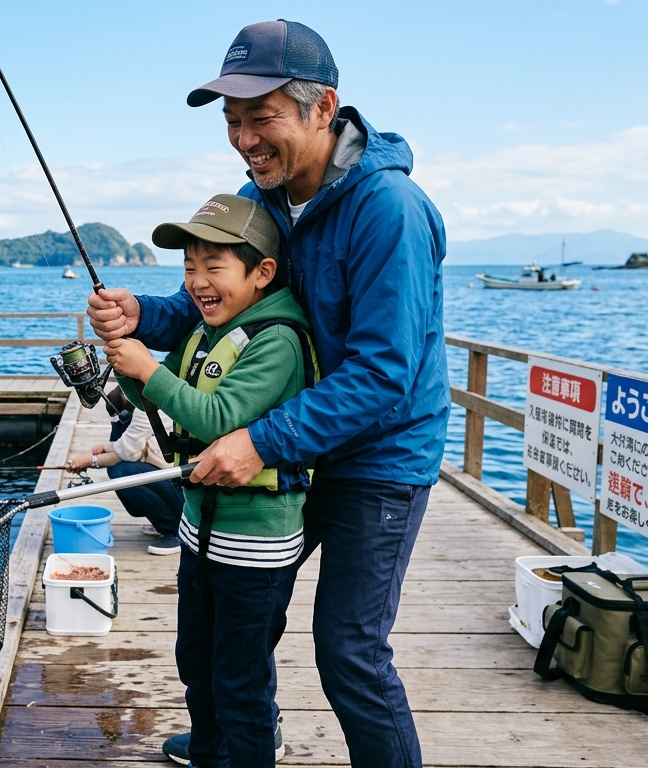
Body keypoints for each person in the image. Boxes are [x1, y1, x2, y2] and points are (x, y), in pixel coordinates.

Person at [87, 21, 448, 768]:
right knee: (239, 620)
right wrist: (143, 317)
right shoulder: (269, 196)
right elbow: (221, 297)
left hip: (376, 458)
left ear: (324, 110)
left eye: (262, 117)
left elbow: (386, 374)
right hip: (294, 438)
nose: (245, 139)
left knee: (349, 652)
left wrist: (258, 441)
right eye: (232, 121)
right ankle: (243, 737)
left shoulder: (390, 210)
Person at [109, 193, 313, 768]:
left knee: (241, 682)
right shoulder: (202, 331)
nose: (198, 282)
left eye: (213, 267)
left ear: (262, 273)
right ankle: (206, 751)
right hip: (200, 529)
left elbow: (219, 418)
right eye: (190, 268)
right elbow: (162, 392)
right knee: (196, 659)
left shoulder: (277, 341)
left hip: (255, 545)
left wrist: (148, 367)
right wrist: (127, 365)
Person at [67, 387, 183, 555]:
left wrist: (90, 460)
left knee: (121, 472)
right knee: (118, 469)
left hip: (182, 483)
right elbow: (126, 444)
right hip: (169, 475)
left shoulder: (147, 407)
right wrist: (101, 449)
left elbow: (126, 452)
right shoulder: (140, 400)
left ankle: (175, 530)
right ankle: (164, 521)